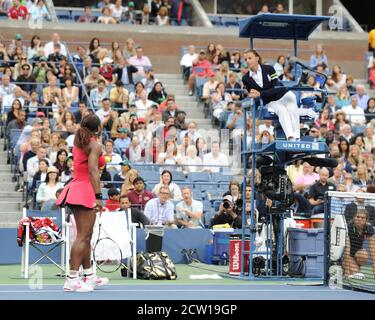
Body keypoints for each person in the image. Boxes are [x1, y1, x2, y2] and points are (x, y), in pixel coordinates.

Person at [56, 114, 109, 292]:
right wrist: (99, 196)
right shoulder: (94, 144)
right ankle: (71, 279)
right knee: (83, 236)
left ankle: (89, 275)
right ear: (98, 128)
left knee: (87, 236)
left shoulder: (81, 141)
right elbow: (94, 170)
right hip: (86, 191)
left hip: (76, 188)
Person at [242, 49, 300, 141]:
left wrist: (261, 93)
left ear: (257, 58)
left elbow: (276, 88)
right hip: (271, 101)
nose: (247, 61)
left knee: (292, 107)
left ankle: (297, 137)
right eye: (245, 59)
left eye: (250, 58)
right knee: (282, 110)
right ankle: (290, 137)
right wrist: (256, 95)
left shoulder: (269, 69)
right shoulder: (245, 78)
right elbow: (254, 94)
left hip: (284, 94)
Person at [343, 209, 375, 279]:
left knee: (364, 255)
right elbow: (347, 250)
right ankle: (346, 268)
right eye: (358, 217)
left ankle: (356, 267)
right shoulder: (349, 227)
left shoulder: (369, 229)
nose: (360, 219)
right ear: (354, 218)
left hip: (358, 253)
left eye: (362, 218)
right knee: (354, 274)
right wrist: (347, 273)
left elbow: (373, 251)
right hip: (347, 256)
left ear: (366, 220)